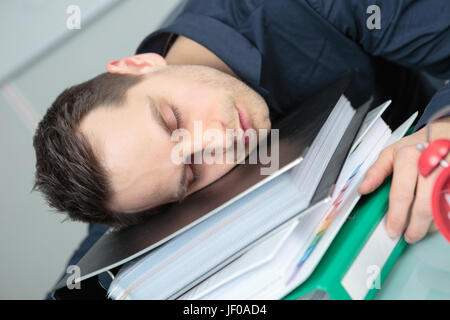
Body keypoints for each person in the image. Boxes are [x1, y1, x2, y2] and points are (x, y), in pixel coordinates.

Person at [37, 0, 450, 297]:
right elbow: (101, 249)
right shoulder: (139, 165)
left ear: (139, 65)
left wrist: (443, 128)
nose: (219, 141)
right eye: (192, 172)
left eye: (173, 121)